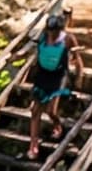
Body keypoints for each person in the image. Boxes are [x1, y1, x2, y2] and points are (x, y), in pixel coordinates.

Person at [27, 11, 83, 160]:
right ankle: (33, 145)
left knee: (51, 110)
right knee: (35, 110)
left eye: (54, 31)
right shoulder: (43, 37)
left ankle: (57, 124)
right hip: (42, 75)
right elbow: (33, 51)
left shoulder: (68, 39)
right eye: (50, 31)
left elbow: (77, 59)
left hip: (58, 77)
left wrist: (79, 77)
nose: (52, 34)